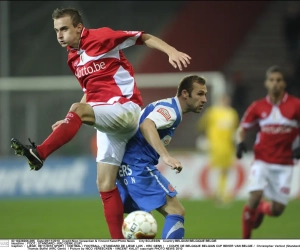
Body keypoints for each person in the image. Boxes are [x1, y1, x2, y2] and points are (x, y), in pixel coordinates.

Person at [10, 7, 191, 239]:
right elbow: (90, 92)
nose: (59, 35)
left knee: (78, 112)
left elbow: (142, 37)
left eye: (64, 29)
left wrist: (171, 51)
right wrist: (70, 118)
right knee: (104, 183)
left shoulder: (101, 37)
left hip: (125, 108)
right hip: (108, 117)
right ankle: (117, 242)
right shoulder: (72, 58)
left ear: (78, 27)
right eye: (56, 30)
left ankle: (40, 153)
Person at [116, 75, 207, 239]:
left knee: (142, 222)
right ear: (185, 94)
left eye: (205, 94)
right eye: (200, 94)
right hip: (138, 167)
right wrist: (166, 156)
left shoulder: (167, 106)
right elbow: (147, 125)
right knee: (176, 211)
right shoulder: (171, 110)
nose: (204, 99)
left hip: (125, 167)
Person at [236, 65, 300, 239]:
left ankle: (262, 208)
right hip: (262, 160)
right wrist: (240, 142)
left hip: (285, 163)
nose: (275, 84)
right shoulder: (258, 106)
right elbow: (243, 127)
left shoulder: (296, 105)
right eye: (271, 80)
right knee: (255, 195)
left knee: (277, 210)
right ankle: (245, 241)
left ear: (284, 83)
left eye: (278, 80)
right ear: (266, 83)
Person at [197, 94, 239, 205]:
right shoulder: (212, 112)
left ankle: (222, 194)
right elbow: (202, 125)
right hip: (215, 146)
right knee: (216, 169)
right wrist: (205, 138)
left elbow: (234, 129)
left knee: (225, 170)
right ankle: (217, 194)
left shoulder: (232, 113)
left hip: (228, 147)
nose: (225, 101)